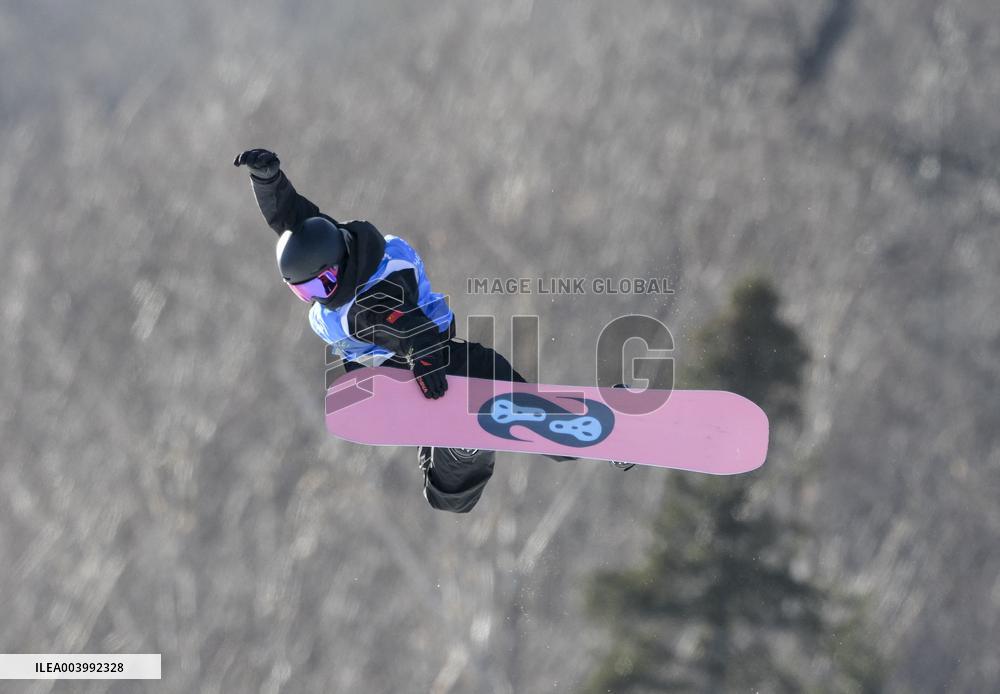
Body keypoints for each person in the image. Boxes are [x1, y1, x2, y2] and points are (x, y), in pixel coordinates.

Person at [235, 148, 631, 514]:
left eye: (321, 286)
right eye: (303, 292)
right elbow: (293, 220)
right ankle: (604, 428)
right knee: (528, 447)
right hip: (456, 368)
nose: (317, 298)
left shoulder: (371, 300)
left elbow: (410, 327)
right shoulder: (344, 248)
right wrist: (268, 181)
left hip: (435, 378)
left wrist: (424, 360)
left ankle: (467, 442)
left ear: (336, 264)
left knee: (451, 491)